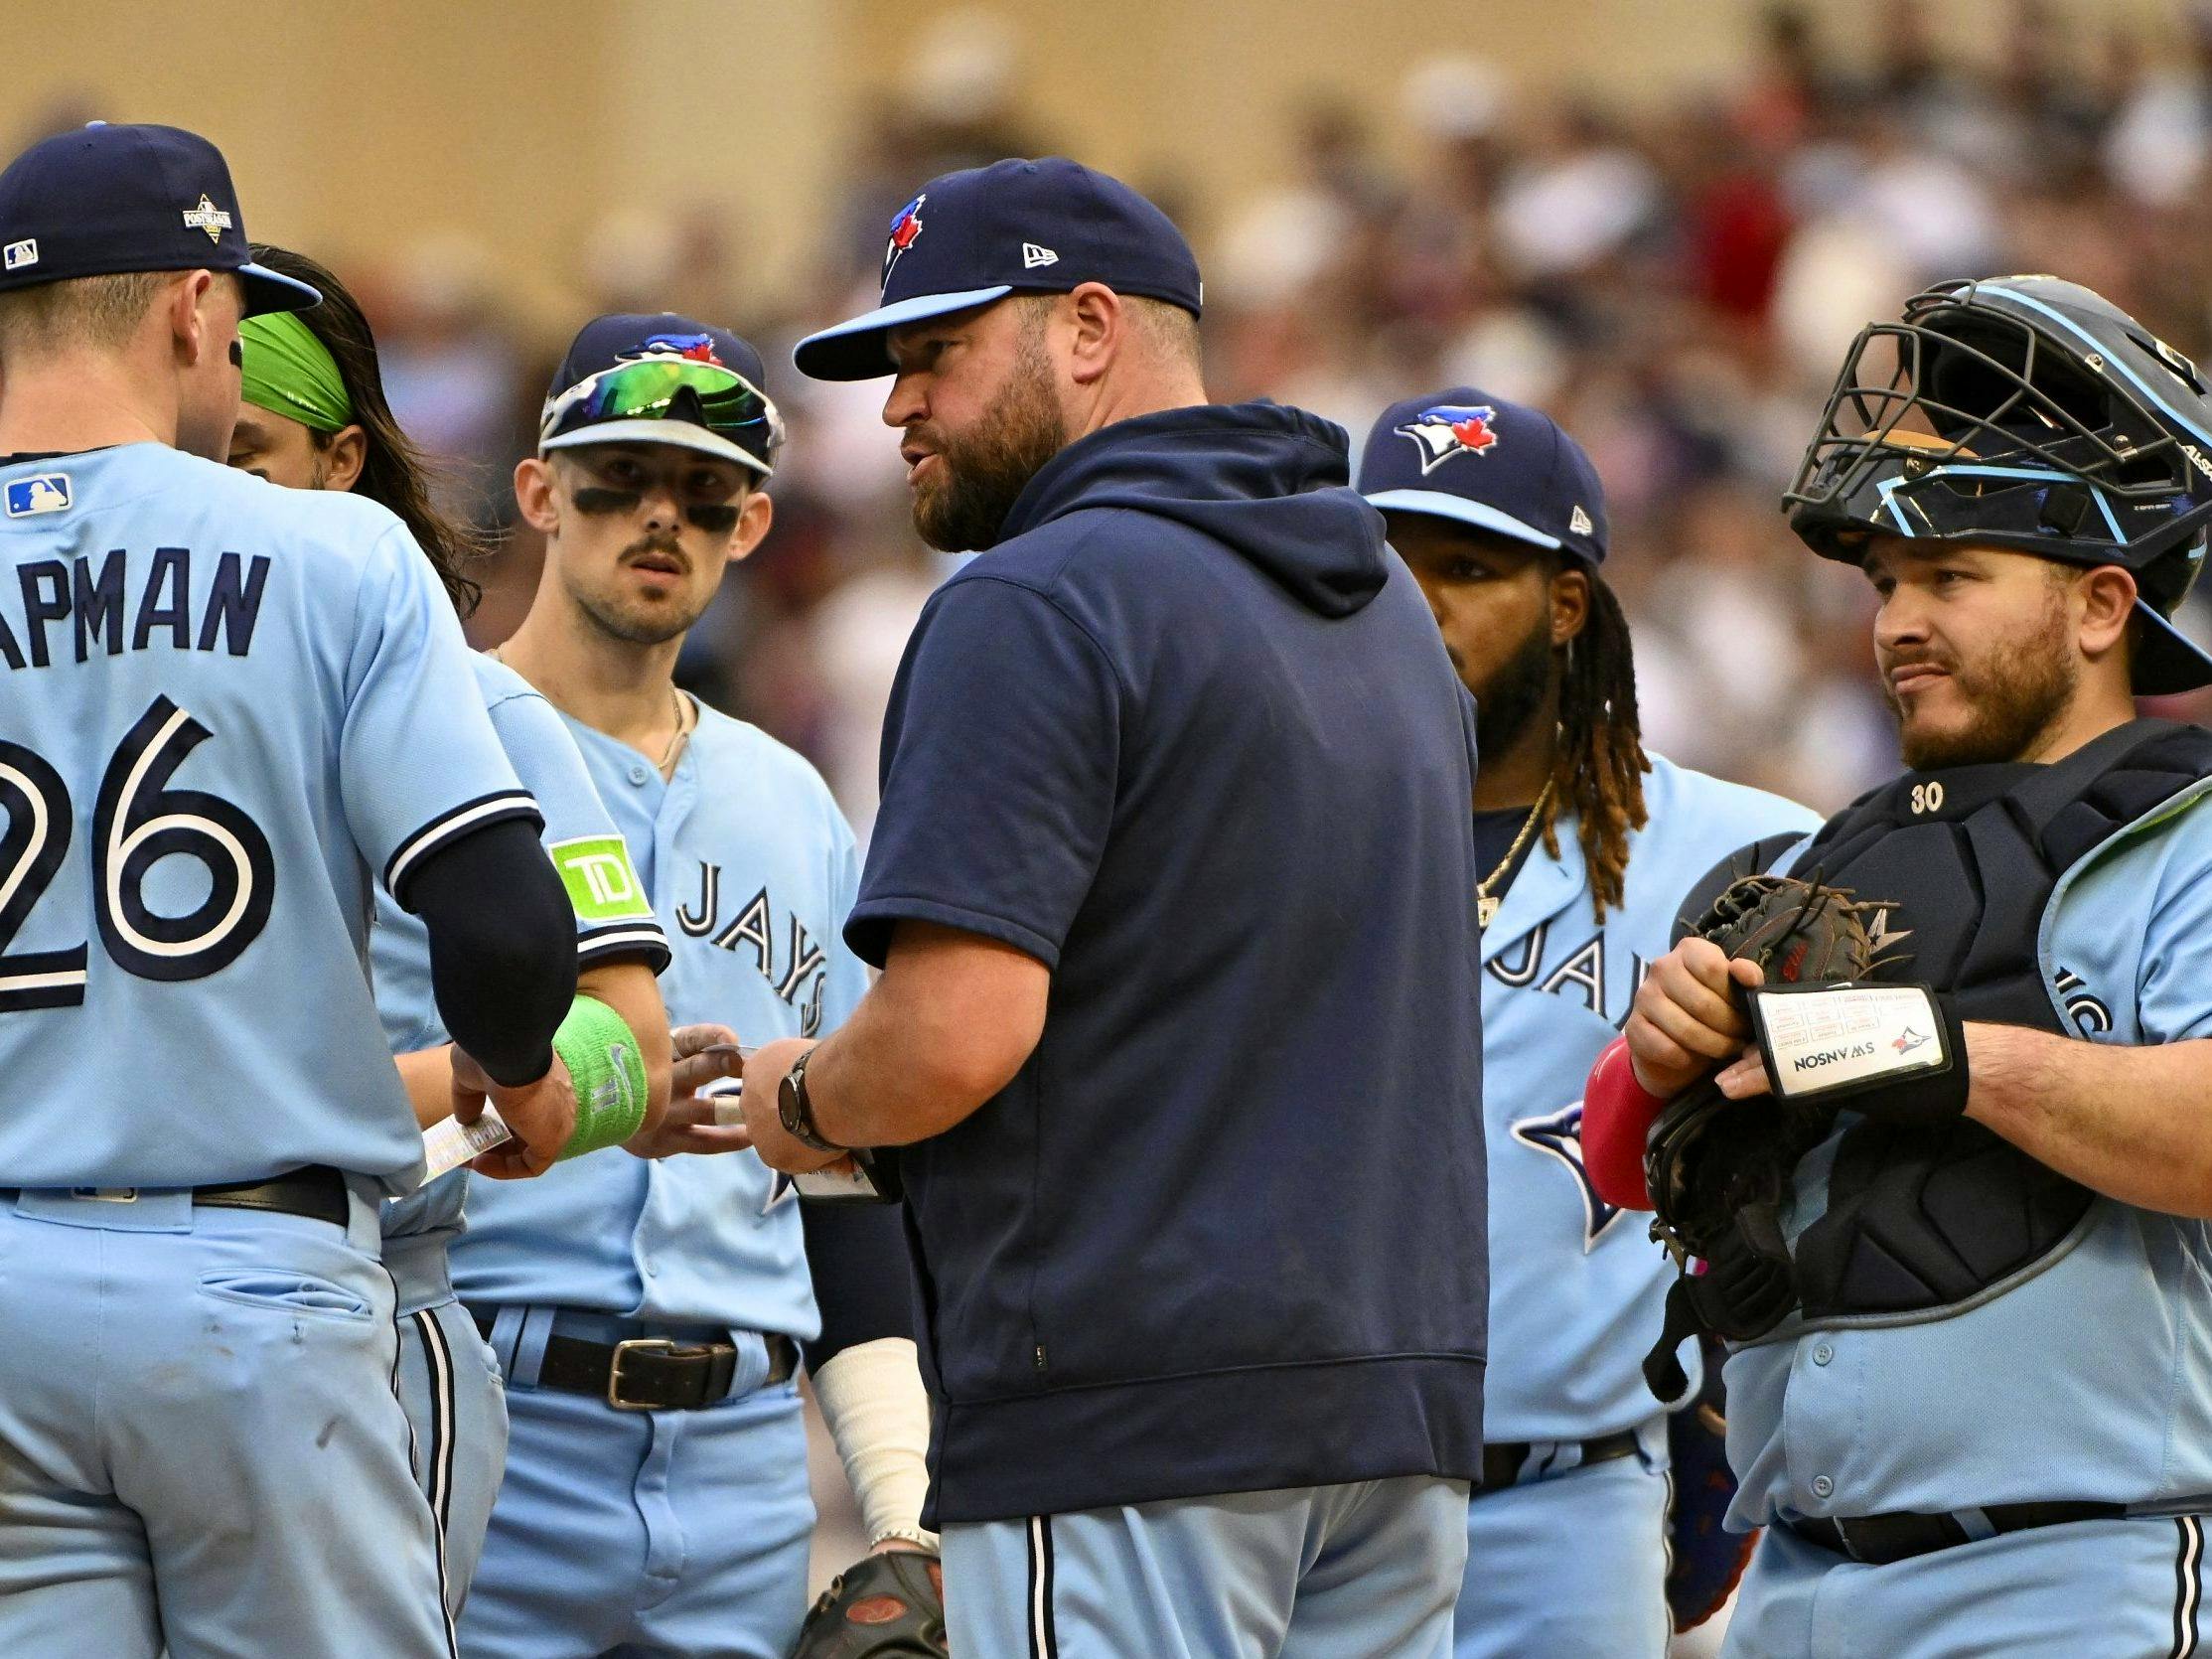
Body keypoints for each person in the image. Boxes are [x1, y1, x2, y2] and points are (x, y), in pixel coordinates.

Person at [768, 156, 1488, 1657]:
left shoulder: (1038, 596)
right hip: (1394, 1412)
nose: (894, 405)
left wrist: (809, 1096)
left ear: (1087, 327)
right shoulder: (1388, 616)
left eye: (933, 353)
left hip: (1129, 1407)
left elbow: (954, 1032)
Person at [0, 123, 579, 1658]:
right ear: (195, 310)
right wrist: (513, 1074)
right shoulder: (331, 554)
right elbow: (509, 921)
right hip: (250, 1281)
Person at [1583, 274, 2212, 1657]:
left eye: (1949, 575)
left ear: (2102, 603)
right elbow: (1622, 1169)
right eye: (1883, 583)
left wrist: (1945, 1055)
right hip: (1797, 1583)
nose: (1895, 621)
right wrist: (1656, 1054)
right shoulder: (1829, 852)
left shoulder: (2183, 834)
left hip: (2068, 1575)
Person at [453, 312, 938, 1659]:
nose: (659, 518)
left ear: (754, 522)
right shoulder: (426, 742)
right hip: (488, 1415)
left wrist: (897, 1500)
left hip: (742, 1463)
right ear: (540, 492)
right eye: (617, 481)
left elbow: (842, 1178)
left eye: (703, 492)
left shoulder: (793, 801)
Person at [227, 243, 675, 1622]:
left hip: (361, 1306)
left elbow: (629, 1049)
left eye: (249, 454)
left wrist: (314, 1111)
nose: (207, 495)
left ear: (342, 460)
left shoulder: (489, 715)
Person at [1356, 387, 1818, 1656]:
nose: (1415, 603)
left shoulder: (1734, 851)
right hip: (1297, 1491)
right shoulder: (1273, 831)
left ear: (1566, 602)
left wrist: (1729, 1421)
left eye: (1464, 568)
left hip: (1567, 1499)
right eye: (1381, 563)